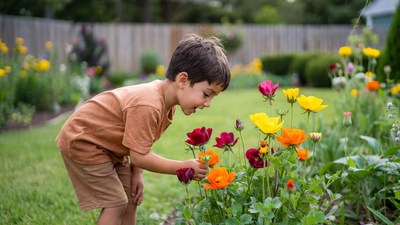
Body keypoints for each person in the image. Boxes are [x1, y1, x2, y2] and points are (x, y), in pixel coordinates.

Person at [55, 33, 231, 225]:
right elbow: (139, 156)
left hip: (109, 145)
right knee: (116, 203)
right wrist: (182, 167)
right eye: (206, 94)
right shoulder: (149, 105)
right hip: (84, 140)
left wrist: (136, 174)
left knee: (129, 197)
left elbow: (140, 145)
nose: (208, 103)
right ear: (182, 80)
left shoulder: (166, 106)